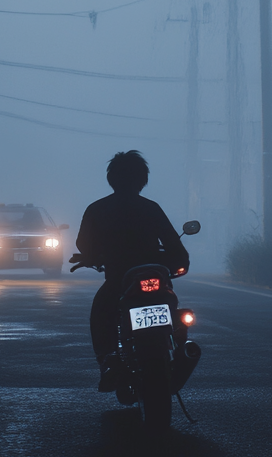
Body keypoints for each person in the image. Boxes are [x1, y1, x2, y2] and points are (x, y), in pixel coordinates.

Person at [74, 150, 189, 391]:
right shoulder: (151, 208)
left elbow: (84, 245)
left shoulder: (97, 209)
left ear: (112, 179)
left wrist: (95, 257)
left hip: (119, 278)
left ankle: (108, 360)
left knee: (101, 313)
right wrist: (179, 261)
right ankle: (180, 350)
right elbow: (173, 243)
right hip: (155, 276)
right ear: (142, 179)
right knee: (174, 309)